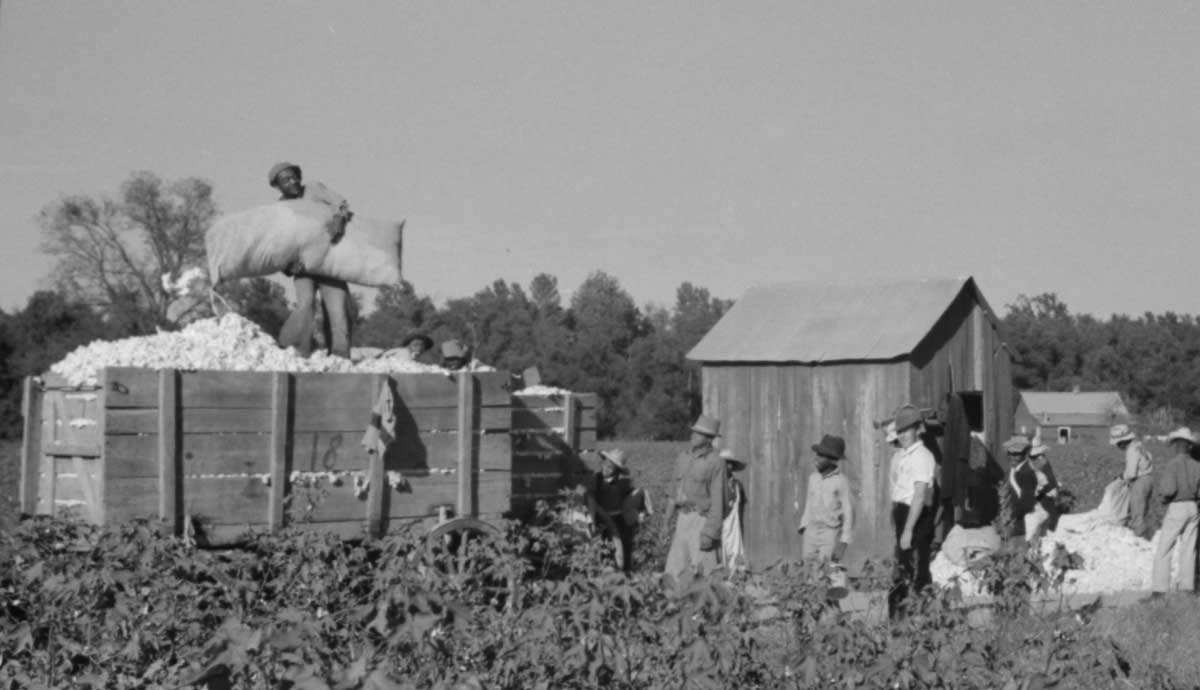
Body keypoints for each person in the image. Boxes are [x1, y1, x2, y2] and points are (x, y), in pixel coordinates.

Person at [269, 162, 354, 359]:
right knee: (305, 305)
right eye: (286, 180)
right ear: (277, 186)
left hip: (329, 263)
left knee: (338, 311)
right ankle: (297, 350)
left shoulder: (314, 189)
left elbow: (342, 205)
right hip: (303, 268)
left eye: (294, 176)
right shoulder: (279, 208)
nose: (293, 181)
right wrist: (289, 266)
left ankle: (340, 357)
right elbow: (280, 244)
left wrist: (339, 219)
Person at [664, 414, 727, 583]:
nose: (693, 436)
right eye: (693, 432)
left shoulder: (716, 462)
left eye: (699, 434)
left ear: (709, 439)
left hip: (701, 521)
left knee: (704, 575)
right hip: (682, 519)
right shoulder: (682, 458)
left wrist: (710, 532)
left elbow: (718, 501)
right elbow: (672, 493)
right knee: (675, 572)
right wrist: (666, 523)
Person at [887, 404, 936, 618]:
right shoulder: (904, 455)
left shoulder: (922, 456)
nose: (903, 435)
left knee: (916, 569)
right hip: (902, 513)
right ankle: (900, 619)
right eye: (899, 431)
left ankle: (921, 617)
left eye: (907, 430)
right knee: (902, 568)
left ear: (918, 429)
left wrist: (908, 529)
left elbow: (919, 495)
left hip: (915, 516)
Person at [1150, 427, 1200, 597]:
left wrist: (1162, 498)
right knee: (1189, 548)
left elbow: (1169, 490)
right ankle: (1187, 588)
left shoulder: (1172, 464)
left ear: (1177, 445)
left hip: (1177, 506)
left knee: (1165, 548)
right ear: (1189, 446)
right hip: (1193, 507)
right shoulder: (1196, 465)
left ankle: (1159, 589)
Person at [797, 434, 854, 564]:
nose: (816, 458)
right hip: (811, 530)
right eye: (817, 454)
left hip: (830, 532)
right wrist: (804, 525)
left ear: (833, 460)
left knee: (826, 571)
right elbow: (808, 504)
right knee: (808, 569)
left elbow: (848, 511)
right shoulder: (813, 478)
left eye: (821, 455)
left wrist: (844, 541)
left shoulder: (841, 481)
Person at [587, 449, 636, 573]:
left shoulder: (621, 483)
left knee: (619, 553)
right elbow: (589, 498)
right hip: (598, 520)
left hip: (616, 521)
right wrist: (592, 519)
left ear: (617, 470)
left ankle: (622, 575)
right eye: (605, 464)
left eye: (610, 467)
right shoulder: (596, 478)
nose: (605, 469)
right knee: (599, 553)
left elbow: (629, 500)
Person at [1111, 423, 1154, 539]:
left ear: (1123, 441)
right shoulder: (1139, 445)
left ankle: (1140, 539)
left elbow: (1131, 473)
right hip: (1149, 479)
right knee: (1142, 510)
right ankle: (1144, 535)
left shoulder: (1131, 450)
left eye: (1118, 443)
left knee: (1137, 513)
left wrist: (1120, 477)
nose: (1118, 446)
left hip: (1140, 482)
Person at [720, 448, 748, 573]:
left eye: (731, 463)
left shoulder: (737, 485)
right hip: (720, 526)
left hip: (734, 528)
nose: (729, 466)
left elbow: (740, 509)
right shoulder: (715, 485)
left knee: (735, 556)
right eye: (726, 463)